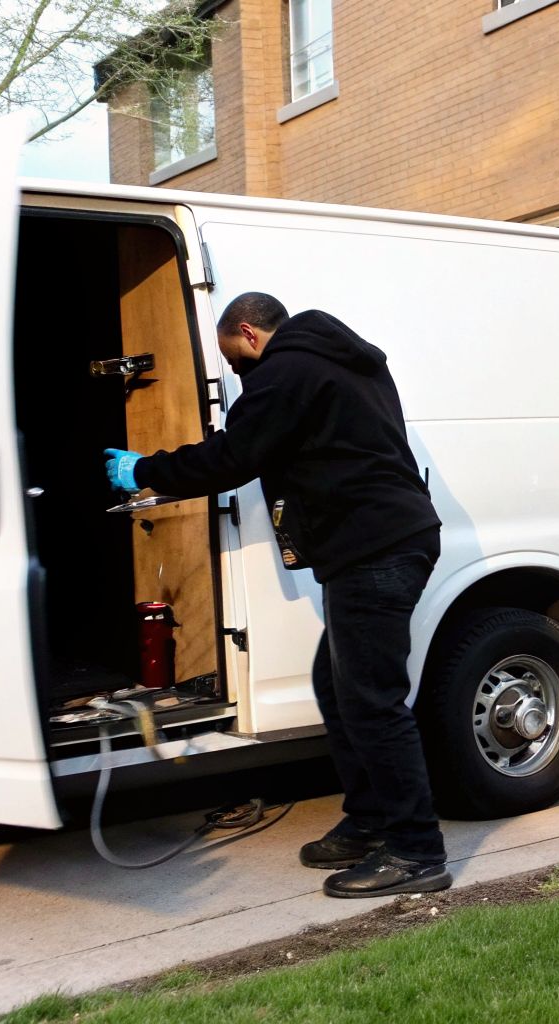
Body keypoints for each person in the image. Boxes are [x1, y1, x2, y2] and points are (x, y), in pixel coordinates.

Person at [103, 292, 448, 899]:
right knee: (338, 687)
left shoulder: (287, 369)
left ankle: (417, 852)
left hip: (376, 548)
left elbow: (234, 456)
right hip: (387, 540)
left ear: (249, 333)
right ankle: (371, 821)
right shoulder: (339, 360)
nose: (240, 374)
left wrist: (147, 469)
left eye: (235, 361)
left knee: (372, 701)